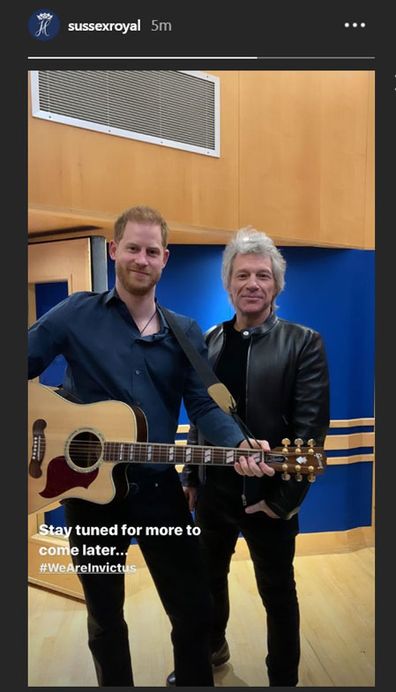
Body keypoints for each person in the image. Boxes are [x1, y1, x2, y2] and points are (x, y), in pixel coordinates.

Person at [28, 207, 275, 687]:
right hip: (89, 499)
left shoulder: (183, 332)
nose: (142, 259)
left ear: (166, 258)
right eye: (133, 248)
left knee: (194, 611)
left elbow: (204, 406)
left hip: (159, 496)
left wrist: (240, 443)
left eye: (152, 251)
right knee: (104, 617)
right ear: (114, 250)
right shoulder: (74, 314)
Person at [166, 227, 330, 687]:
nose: (252, 283)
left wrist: (281, 502)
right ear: (228, 284)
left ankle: (283, 678)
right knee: (207, 581)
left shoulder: (304, 342)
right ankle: (212, 654)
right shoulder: (211, 342)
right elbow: (199, 418)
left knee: (277, 593)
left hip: (269, 498)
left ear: (276, 285)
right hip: (215, 494)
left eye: (262, 275)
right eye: (242, 275)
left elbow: (311, 432)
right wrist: (190, 477)